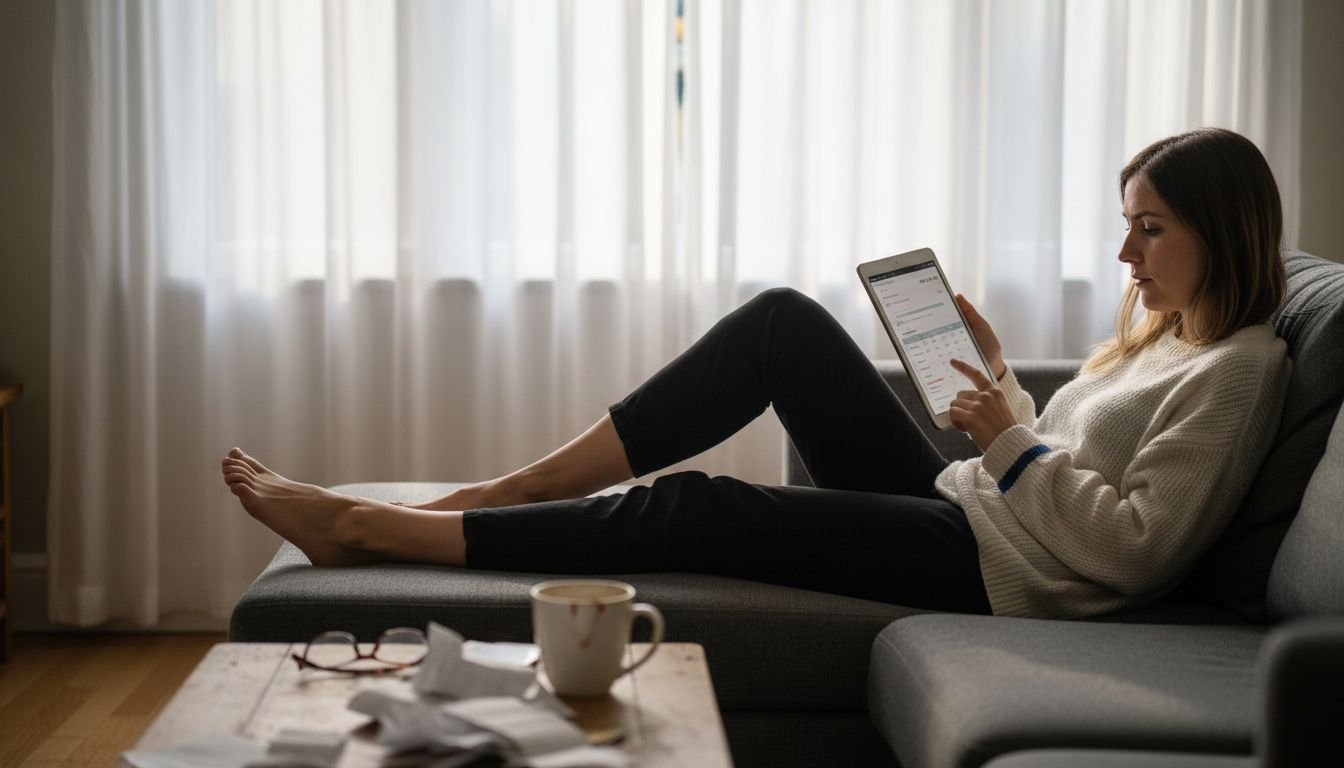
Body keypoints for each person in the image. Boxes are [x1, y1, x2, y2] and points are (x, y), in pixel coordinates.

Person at [221, 127, 1290, 620]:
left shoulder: (1240, 373)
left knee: (697, 508)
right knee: (781, 321)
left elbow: (1139, 550)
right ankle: (516, 488)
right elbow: (1053, 460)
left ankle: (371, 529)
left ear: (1221, 231)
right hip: (971, 510)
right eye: (1126, 227)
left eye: (1149, 230)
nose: (1126, 256)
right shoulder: (1167, 341)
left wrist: (1005, 438)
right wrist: (1002, 387)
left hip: (999, 575)